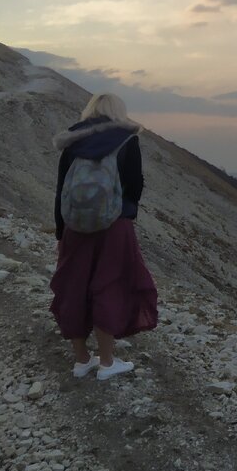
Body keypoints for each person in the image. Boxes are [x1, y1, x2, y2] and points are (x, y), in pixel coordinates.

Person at [49, 93, 158, 380]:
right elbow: (135, 186)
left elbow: (62, 189)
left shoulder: (73, 141)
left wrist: (62, 231)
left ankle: (82, 360)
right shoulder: (127, 139)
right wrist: (124, 213)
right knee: (108, 286)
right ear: (118, 112)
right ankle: (107, 363)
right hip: (114, 226)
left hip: (75, 226)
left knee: (74, 286)